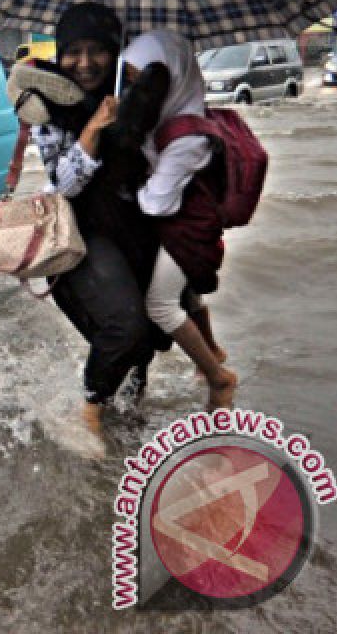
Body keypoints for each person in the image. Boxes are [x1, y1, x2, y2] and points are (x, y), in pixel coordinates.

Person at [29, 2, 161, 450]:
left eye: (97, 51)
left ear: (115, 52)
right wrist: (96, 127)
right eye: (73, 52)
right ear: (60, 54)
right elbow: (63, 185)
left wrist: (138, 112)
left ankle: (128, 435)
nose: (84, 63)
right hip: (80, 239)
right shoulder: (46, 105)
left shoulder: (140, 93)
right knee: (126, 328)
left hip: (137, 232)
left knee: (143, 349)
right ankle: (86, 413)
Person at [122, 30, 238, 410]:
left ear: (174, 76)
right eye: (133, 80)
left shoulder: (188, 134)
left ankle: (219, 380)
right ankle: (213, 353)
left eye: (148, 82)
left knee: (161, 304)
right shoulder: (166, 114)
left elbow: (157, 205)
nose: (139, 89)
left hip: (189, 226)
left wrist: (132, 189)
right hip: (182, 218)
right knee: (186, 292)